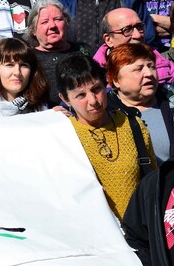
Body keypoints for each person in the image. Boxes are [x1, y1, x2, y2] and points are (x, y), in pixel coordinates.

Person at [57, 54, 156, 221]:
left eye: (96, 89)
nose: (93, 101)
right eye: (81, 95)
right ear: (65, 99)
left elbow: (154, 183)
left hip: (140, 234)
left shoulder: (132, 125)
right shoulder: (63, 135)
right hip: (93, 236)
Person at [105, 43, 174, 164]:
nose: (149, 74)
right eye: (138, 69)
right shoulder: (103, 111)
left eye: (151, 66)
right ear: (116, 80)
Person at [25, 0, 92, 107]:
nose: (52, 26)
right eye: (44, 22)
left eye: (57, 19)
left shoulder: (84, 51)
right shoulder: (28, 58)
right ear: (33, 31)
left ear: (66, 23)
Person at [93, 8, 174, 86]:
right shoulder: (93, 76)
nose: (137, 35)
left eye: (139, 27)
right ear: (108, 39)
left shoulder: (167, 67)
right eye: (127, 30)